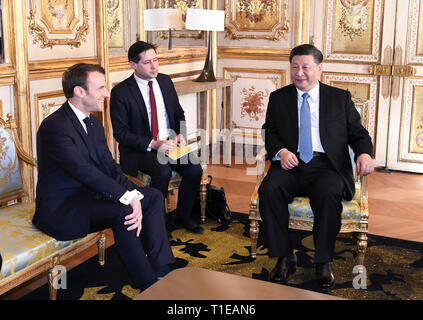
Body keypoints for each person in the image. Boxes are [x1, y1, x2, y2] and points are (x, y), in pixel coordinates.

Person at [32, 63, 175, 292]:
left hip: (91, 198)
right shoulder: (54, 127)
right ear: (80, 91)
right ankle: (147, 285)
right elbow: (83, 171)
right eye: (100, 88)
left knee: (153, 196)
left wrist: (133, 193)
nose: (107, 94)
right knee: (125, 211)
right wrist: (128, 199)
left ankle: (161, 268)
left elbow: (109, 166)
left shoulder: (92, 122)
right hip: (63, 209)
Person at [259, 44, 374, 290]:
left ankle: (323, 261)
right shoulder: (278, 98)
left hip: (327, 165)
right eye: (294, 67)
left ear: (320, 68)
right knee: (269, 188)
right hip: (291, 162)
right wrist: (281, 151)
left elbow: (358, 133)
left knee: (328, 192)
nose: (299, 73)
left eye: (305, 67)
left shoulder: (339, 98)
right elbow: (270, 132)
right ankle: (284, 258)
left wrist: (364, 153)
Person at [110, 41, 203, 236]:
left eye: (156, 60)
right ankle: (157, 225)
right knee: (162, 171)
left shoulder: (165, 81)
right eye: (147, 63)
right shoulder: (121, 92)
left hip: (169, 144)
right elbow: (121, 133)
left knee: (194, 169)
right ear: (133, 65)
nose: (154, 66)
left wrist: (181, 134)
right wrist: (153, 144)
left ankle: (182, 217)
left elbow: (178, 113)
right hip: (140, 150)